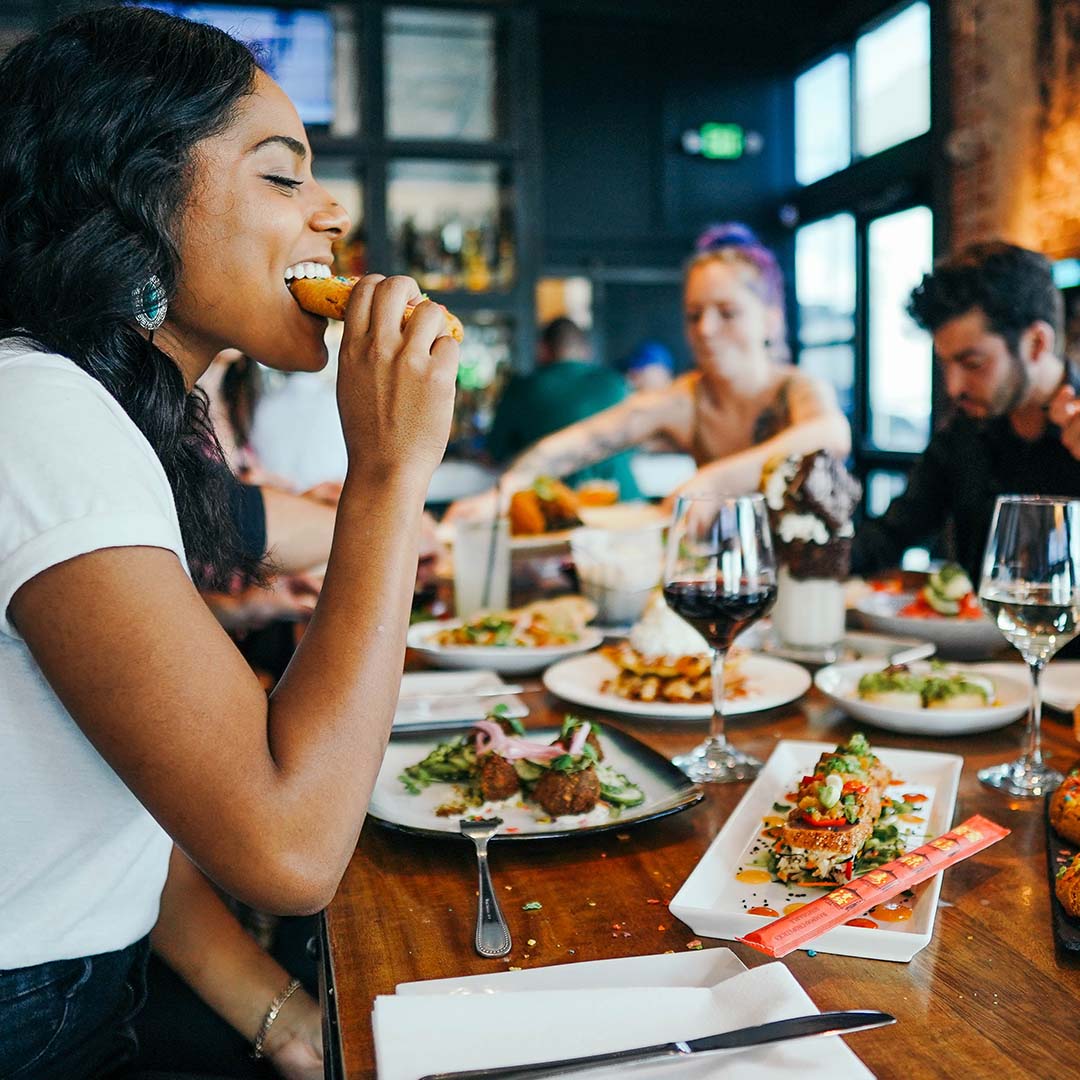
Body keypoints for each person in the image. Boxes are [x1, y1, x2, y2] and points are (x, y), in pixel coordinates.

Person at [0, 8, 457, 1077]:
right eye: (282, 176)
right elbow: (289, 849)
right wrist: (388, 478)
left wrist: (276, 1012)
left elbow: (116, 796)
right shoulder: (38, 411)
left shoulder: (89, 409)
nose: (333, 212)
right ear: (134, 193)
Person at [447, 223, 849, 518]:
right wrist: (501, 495)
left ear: (771, 320)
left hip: (812, 590)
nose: (705, 330)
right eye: (694, 315)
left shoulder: (797, 388)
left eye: (727, 313)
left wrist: (711, 482)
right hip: (729, 585)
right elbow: (580, 442)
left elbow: (830, 434)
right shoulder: (686, 399)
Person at [852, 241, 1080, 582]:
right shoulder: (963, 432)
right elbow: (889, 536)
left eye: (972, 363)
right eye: (945, 364)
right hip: (976, 635)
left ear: (1036, 344)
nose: (953, 386)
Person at [486, 316, 640, 497]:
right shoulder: (617, 383)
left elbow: (494, 454)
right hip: (625, 502)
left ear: (542, 349)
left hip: (557, 507)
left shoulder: (522, 388)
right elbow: (635, 446)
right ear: (585, 349)